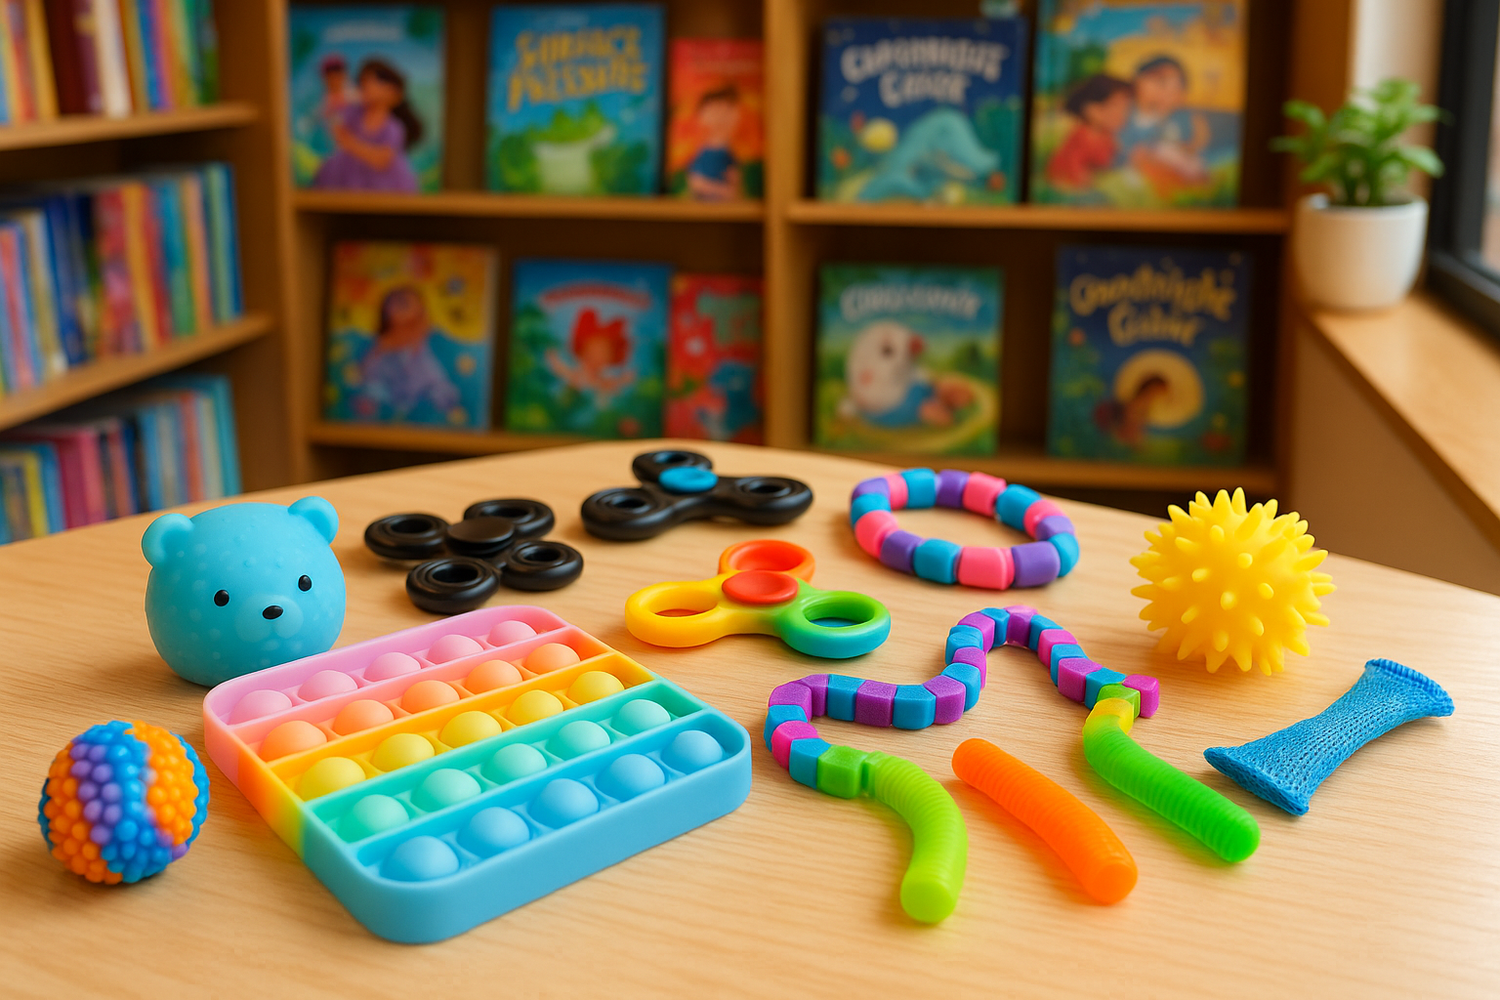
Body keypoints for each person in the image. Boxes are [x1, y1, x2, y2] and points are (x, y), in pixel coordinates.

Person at [313, 58, 423, 193]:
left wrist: (351, 143)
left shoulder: (393, 127)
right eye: (362, 82)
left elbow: (382, 160)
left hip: (384, 185)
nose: (365, 86)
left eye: (372, 82)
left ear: (392, 92)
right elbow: (335, 126)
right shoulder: (352, 114)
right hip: (347, 177)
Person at [358, 286, 460, 421]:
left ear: (420, 310)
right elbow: (369, 368)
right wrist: (381, 349)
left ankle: (444, 398)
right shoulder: (384, 338)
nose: (399, 307)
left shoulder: (423, 331)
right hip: (388, 382)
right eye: (394, 303)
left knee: (437, 385)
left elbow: (429, 367)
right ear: (386, 312)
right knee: (373, 387)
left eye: (404, 302)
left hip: (420, 382)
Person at [1120, 56, 1210, 190]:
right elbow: (1123, 147)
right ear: (1137, 81)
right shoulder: (1124, 113)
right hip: (1136, 165)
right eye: (1161, 83)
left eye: (1176, 88)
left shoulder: (1177, 119)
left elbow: (1190, 147)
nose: (1168, 92)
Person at [1046, 74, 1134, 190]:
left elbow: (1113, 162)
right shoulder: (1084, 136)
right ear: (1092, 109)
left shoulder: (1108, 137)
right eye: (1115, 105)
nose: (1123, 113)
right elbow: (1073, 170)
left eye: (1126, 107)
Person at [545, 309, 637, 408]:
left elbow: (611, 385)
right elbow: (564, 371)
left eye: (603, 354)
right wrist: (554, 360)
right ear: (582, 351)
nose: (596, 358)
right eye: (592, 352)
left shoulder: (603, 379)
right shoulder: (578, 376)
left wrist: (623, 380)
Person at [684, 85, 743, 201]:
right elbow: (696, 182)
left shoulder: (729, 153)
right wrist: (720, 190)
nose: (721, 116)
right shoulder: (703, 153)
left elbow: (735, 182)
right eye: (715, 110)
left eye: (727, 109)